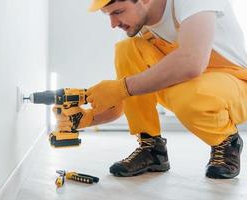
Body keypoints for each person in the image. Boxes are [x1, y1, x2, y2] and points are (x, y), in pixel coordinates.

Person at [55, 0, 247, 179]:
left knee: (192, 95)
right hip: (188, 83)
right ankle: (151, 148)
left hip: (235, 83)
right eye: (108, 15)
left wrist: (121, 88)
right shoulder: (138, 25)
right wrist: (88, 118)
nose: (113, 23)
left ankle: (226, 142)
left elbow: (191, 63)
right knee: (127, 49)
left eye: (118, 12)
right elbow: (125, 99)